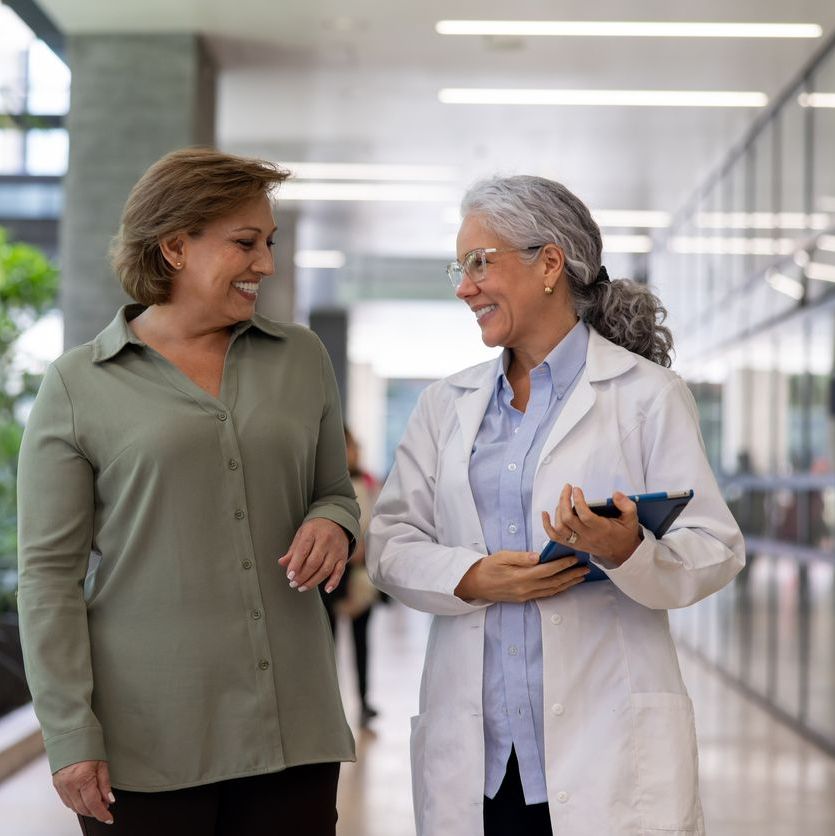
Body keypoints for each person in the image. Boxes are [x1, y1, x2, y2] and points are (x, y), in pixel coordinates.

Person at [366, 175, 745, 836]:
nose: (464, 287)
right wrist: (468, 576)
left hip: (605, 751)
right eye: (460, 268)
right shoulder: (444, 406)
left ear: (548, 264)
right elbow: (391, 539)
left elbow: (715, 547)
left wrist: (627, 549)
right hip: (479, 754)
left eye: (480, 264)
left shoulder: (646, 396)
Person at [16, 147, 360, 836]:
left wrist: (334, 522)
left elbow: (334, 490)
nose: (265, 263)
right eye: (244, 243)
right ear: (174, 246)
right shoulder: (78, 385)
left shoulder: (299, 358)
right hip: (147, 741)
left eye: (269, 242)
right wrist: (69, 734)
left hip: (290, 725)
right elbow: (48, 577)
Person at [322, 427, 381, 727]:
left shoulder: (367, 481)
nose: (353, 452)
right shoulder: (323, 488)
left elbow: (378, 521)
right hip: (330, 576)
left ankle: (363, 701)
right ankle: (329, 706)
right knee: (326, 645)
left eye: (355, 447)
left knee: (361, 642)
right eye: (347, 447)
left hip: (360, 575)